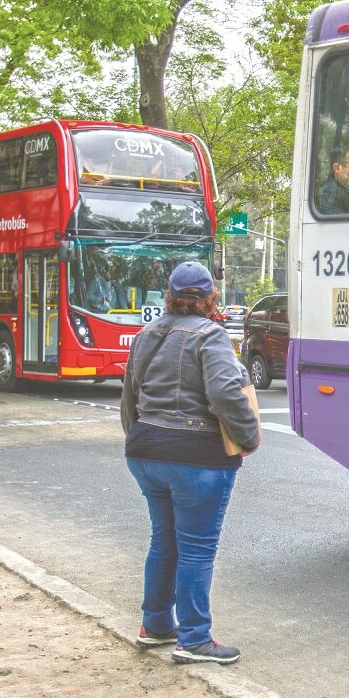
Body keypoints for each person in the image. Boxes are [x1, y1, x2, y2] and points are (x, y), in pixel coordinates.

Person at [120, 261, 260, 666]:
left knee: (164, 539)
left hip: (146, 449)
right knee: (197, 548)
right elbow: (224, 392)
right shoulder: (211, 335)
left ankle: (156, 624)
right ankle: (195, 638)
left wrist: (137, 437)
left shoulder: (146, 334)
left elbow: (130, 393)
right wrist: (248, 437)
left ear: (170, 295)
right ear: (210, 297)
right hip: (196, 457)